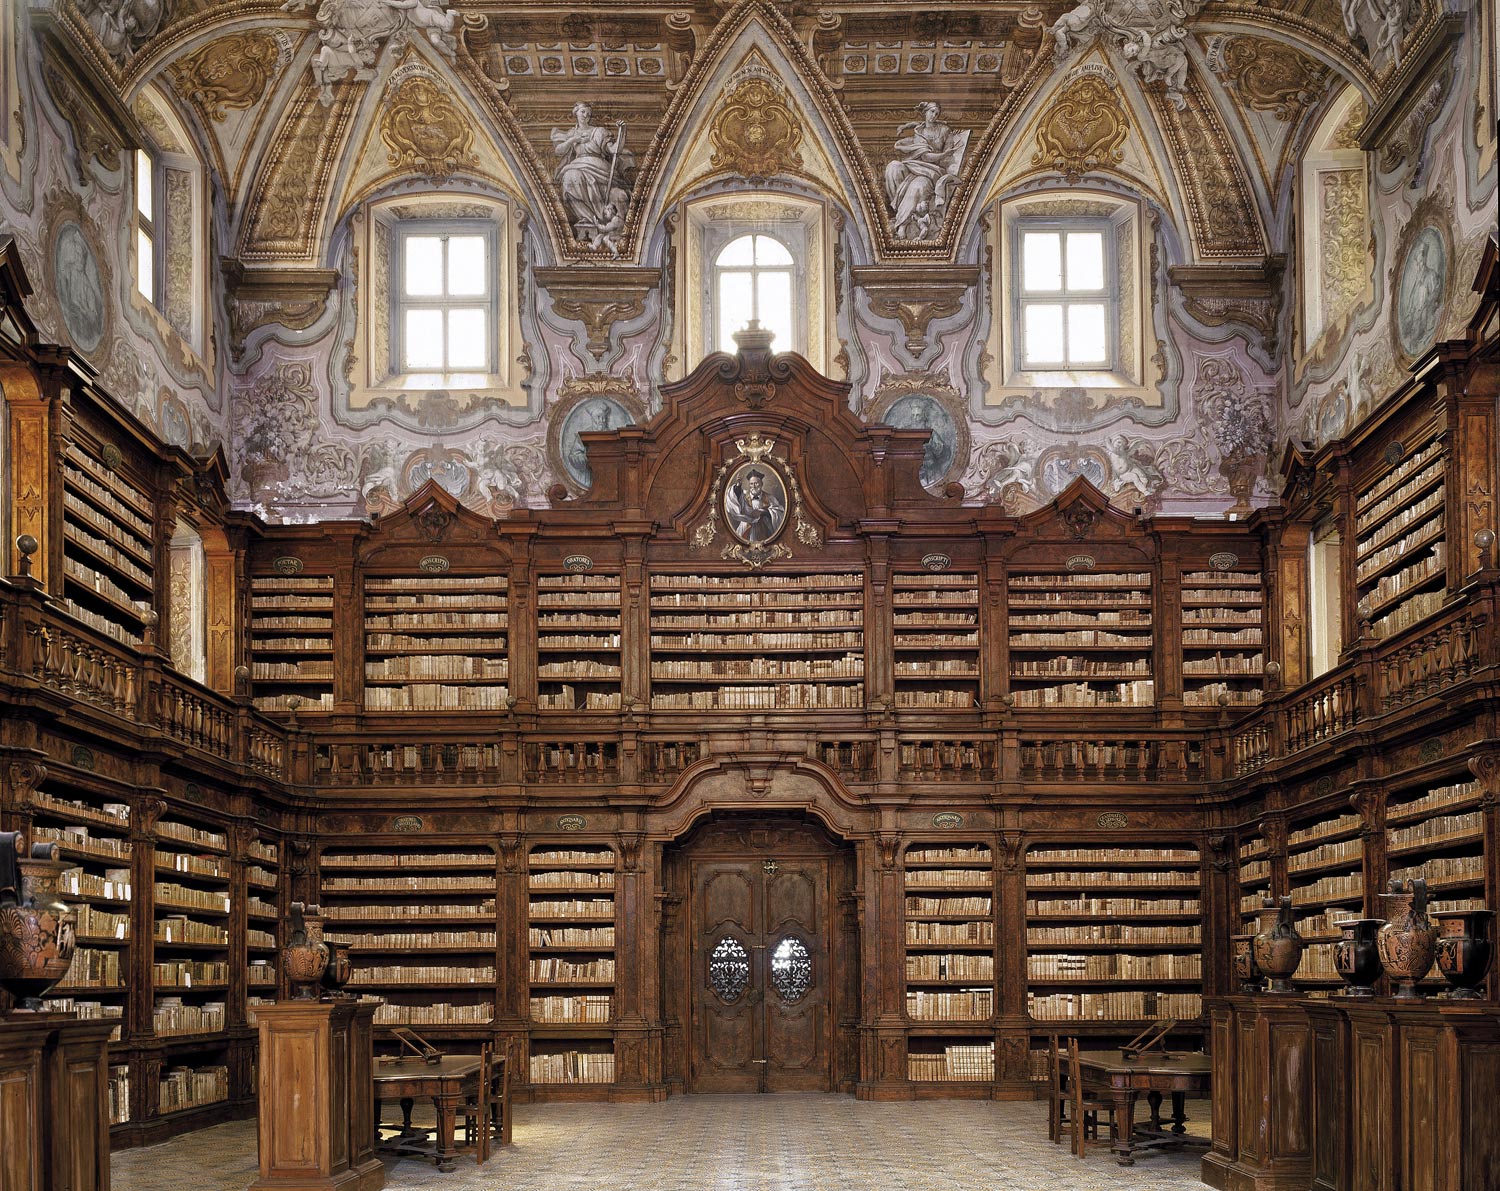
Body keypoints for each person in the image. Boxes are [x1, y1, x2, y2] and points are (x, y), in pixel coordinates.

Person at [883, 103, 968, 241]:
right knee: (893, 167)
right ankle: (902, 211)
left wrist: (944, 155)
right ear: (925, 112)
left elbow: (947, 155)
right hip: (916, 165)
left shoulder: (945, 130)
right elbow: (924, 155)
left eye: (937, 113)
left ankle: (902, 223)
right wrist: (904, 127)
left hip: (933, 171)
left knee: (918, 185)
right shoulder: (919, 130)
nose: (934, 115)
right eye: (932, 112)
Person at [551, 104, 633, 246]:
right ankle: (588, 218)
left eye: (588, 113)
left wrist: (622, 131)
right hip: (578, 167)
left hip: (601, 171)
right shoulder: (572, 133)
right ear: (576, 113)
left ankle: (601, 221)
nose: (586, 115)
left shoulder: (599, 132)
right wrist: (573, 140)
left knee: (616, 194)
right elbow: (559, 150)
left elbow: (614, 150)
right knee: (570, 177)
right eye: (583, 112)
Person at [725, 469, 784, 543]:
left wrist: (764, 512)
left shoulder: (770, 498)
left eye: (756, 483)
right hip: (746, 528)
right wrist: (738, 486)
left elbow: (779, 512)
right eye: (751, 484)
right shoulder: (744, 496)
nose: (753, 486)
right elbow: (735, 500)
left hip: (765, 529)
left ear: (761, 484)